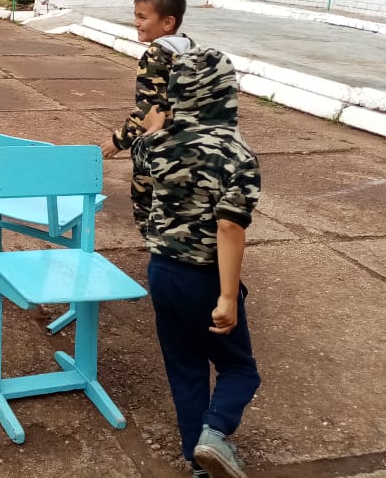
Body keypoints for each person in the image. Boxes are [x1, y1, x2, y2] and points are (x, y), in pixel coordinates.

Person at [131, 48, 262, 478]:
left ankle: (198, 463)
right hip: (205, 277)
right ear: (226, 92)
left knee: (185, 368)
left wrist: (154, 127)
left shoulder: (154, 144)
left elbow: (141, 172)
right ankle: (215, 432)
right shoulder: (236, 152)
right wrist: (228, 295)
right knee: (239, 368)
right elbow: (230, 226)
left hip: (162, 271)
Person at [102, 0, 194, 237]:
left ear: (167, 22)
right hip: (189, 148)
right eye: (136, 16)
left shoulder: (156, 55)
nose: (136, 23)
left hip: (159, 148)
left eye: (142, 17)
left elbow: (148, 108)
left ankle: (159, 253)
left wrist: (118, 141)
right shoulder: (191, 49)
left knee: (149, 212)